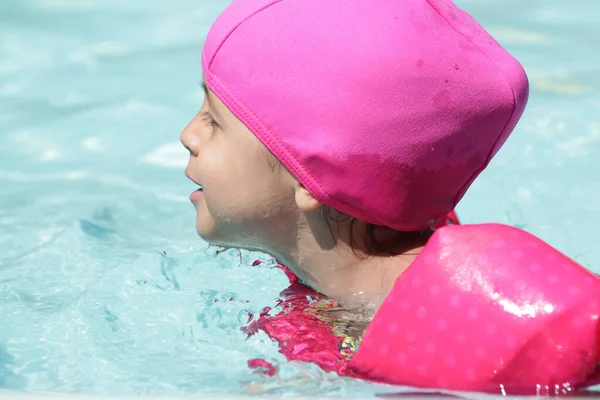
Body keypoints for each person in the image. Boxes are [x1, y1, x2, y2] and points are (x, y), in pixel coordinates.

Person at [180, 0, 600, 394]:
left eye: (213, 120)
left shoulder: (476, 302)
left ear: (309, 177)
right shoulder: (327, 292)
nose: (188, 136)